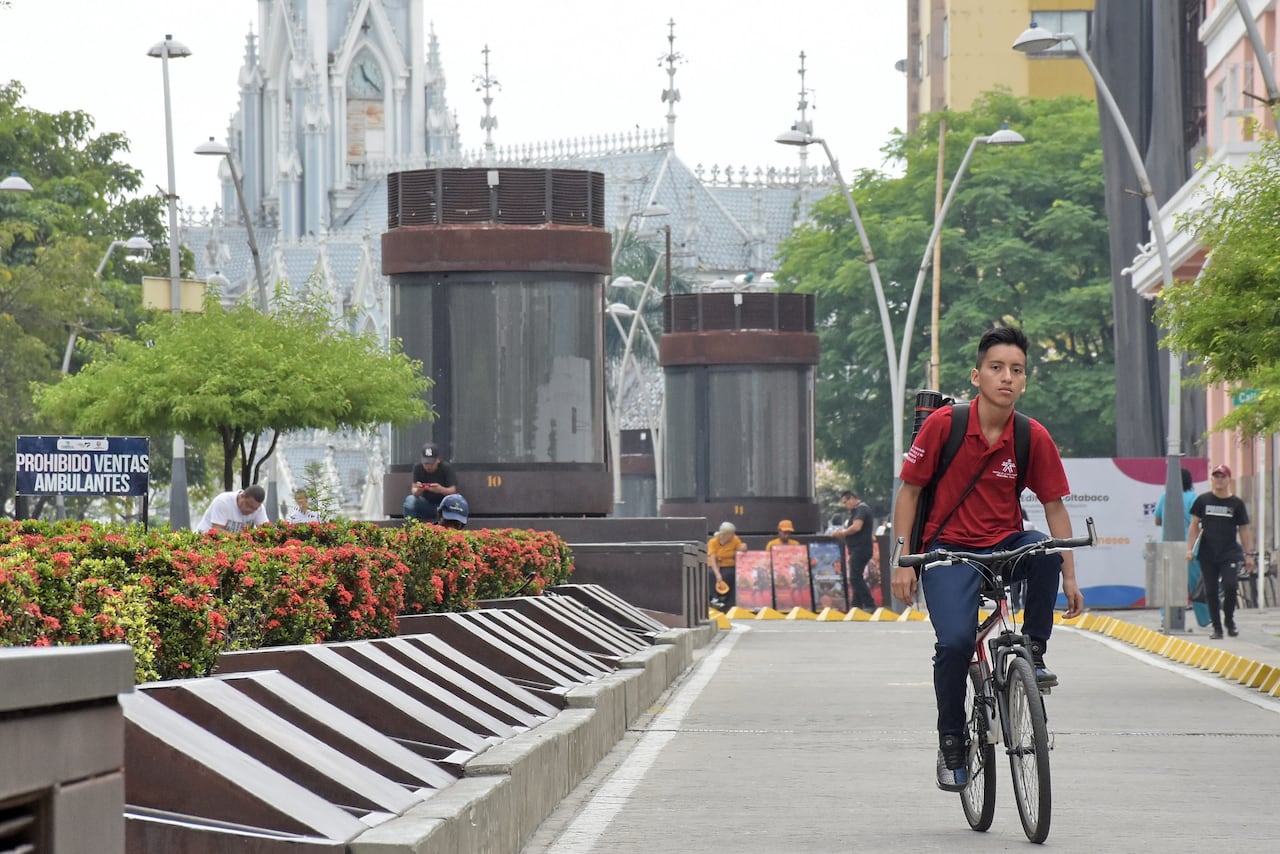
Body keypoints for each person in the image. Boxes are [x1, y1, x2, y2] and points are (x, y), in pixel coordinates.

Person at [891, 326, 1083, 793]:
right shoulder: (946, 425)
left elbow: (1055, 507)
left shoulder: (1030, 435)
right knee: (956, 644)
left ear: (1024, 380)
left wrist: (1071, 579)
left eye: (1016, 370)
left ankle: (1033, 652)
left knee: (1041, 547)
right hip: (947, 551)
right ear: (977, 375)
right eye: (996, 368)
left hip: (1004, 546)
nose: (1007, 377)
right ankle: (952, 740)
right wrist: (901, 562)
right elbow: (910, 491)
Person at [1187, 464, 1254, 639]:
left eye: (1222, 476)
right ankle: (1217, 628)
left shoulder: (1236, 503)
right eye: (1216, 476)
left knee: (1230, 586)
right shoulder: (1203, 500)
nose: (1219, 479)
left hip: (1229, 552)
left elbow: (1244, 529)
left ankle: (1229, 620)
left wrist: (1248, 554)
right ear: (1212, 479)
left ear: (1228, 480)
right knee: (1210, 591)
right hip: (1208, 553)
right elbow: (1194, 525)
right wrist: (1189, 549)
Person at [833, 490, 877, 610]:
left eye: (845, 502)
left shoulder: (861, 509)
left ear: (852, 498)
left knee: (854, 577)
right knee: (857, 576)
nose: (845, 506)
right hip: (858, 548)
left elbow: (857, 527)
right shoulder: (857, 510)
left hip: (861, 548)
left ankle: (869, 604)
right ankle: (856, 605)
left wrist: (842, 533)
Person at [402, 443, 458, 521]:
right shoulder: (418, 468)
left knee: (454, 503)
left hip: (443, 505)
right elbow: (414, 489)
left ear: (438, 460)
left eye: (431, 463)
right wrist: (418, 490)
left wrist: (441, 489)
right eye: (426, 463)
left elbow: (453, 491)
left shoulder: (446, 468)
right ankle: (411, 528)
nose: (428, 466)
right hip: (425, 504)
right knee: (410, 500)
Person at [196, 485, 269, 534]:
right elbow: (217, 529)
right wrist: (241, 539)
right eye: (248, 505)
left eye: (254, 509)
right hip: (205, 541)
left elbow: (266, 530)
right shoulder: (223, 501)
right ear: (242, 496)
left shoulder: (259, 509)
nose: (250, 511)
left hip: (231, 546)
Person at [707, 521, 747, 610]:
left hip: (729, 565)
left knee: (730, 574)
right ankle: (714, 598)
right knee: (710, 574)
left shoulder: (735, 539)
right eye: (732, 533)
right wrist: (718, 575)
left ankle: (729, 601)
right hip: (715, 565)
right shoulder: (713, 541)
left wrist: (743, 548)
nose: (733, 535)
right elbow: (712, 558)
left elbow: (741, 548)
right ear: (726, 534)